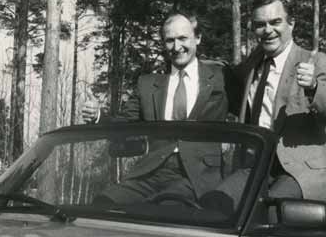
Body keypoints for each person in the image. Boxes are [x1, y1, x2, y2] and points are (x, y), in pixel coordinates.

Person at [81, 11, 231, 206]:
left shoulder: (222, 78)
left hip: (197, 177)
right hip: (150, 172)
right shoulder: (148, 85)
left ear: (198, 38)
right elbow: (125, 124)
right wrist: (98, 116)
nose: (177, 47)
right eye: (170, 41)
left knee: (167, 209)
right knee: (104, 204)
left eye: (183, 38)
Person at [229, 0, 326, 202]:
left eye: (275, 22)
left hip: (298, 172)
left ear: (291, 24)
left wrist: (313, 88)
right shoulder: (251, 67)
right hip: (255, 166)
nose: (268, 30)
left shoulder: (316, 61)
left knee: (270, 211)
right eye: (260, 25)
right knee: (218, 202)